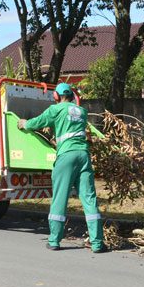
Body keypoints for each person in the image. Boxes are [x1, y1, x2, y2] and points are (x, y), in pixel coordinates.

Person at [16, 83, 107, 253]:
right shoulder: (82, 111)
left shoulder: (55, 109)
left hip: (66, 157)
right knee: (89, 198)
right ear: (72, 96)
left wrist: (23, 123)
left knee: (60, 197)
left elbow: (37, 123)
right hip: (83, 155)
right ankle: (97, 243)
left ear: (56, 96)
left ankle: (54, 240)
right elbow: (71, 131)